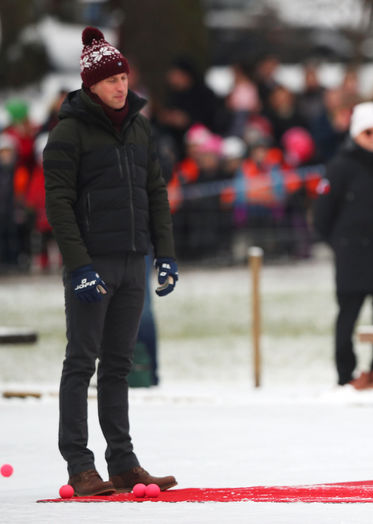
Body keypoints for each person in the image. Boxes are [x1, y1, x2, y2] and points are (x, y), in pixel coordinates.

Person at [43, 27, 179, 497]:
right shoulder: (68, 132)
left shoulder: (140, 126)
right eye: (111, 79)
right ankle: (80, 465)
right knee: (81, 362)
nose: (121, 85)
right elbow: (57, 204)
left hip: (133, 259)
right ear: (91, 84)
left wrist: (165, 254)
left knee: (119, 365)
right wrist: (79, 266)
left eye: (123, 76)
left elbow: (155, 192)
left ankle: (122, 463)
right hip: (93, 263)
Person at [312, 102, 373, 391]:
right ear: (356, 134)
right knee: (348, 320)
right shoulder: (339, 167)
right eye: (369, 132)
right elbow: (321, 217)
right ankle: (346, 376)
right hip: (353, 260)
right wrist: (343, 245)